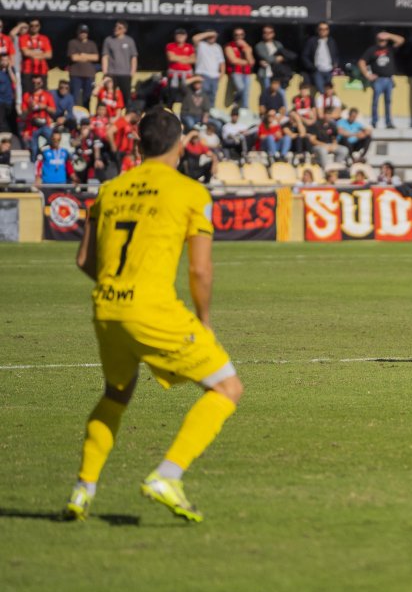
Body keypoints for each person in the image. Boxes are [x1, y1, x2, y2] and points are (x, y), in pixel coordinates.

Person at [65, 107, 244, 523]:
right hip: (151, 309)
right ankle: (168, 475)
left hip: (106, 306)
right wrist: (204, 318)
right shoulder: (190, 193)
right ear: (181, 146)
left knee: (116, 394)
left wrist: (116, 282)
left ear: (136, 145)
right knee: (226, 388)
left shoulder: (109, 190)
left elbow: (83, 260)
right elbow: (200, 269)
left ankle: (82, 490)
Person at [358, 31, 405, 130]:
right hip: (378, 79)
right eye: (380, 40)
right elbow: (361, 62)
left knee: (388, 102)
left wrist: (389, 35)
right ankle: (374, 122)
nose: (382, 42)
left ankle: (388, 122)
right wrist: (367, 75)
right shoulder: (372, 50)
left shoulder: (390, 49)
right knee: (375, 101)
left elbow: (401, 40)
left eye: (384, 40)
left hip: (389, 79)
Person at [102, 21, 138, 105]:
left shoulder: (129, 41)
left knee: (126, 96)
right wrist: (105, 72)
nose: (116, 29)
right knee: (110, 95)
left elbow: (134, 57)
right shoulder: (108, 40)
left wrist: (132, 72)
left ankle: (125, 113)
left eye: (119, 28)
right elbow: (105, 56)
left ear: (124, 30)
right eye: (115, 27)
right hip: (111, 73)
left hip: (125, 73)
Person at [67, 24, 100, 111]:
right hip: (76, 74)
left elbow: (96, 57)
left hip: (89, 74)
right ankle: (74, 114)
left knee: (87, 98)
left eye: (85, 32)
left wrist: (83, 55)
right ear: (78, 32)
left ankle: (86, 115)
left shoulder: (92, 43)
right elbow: (74, 57)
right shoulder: (72, 42)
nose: (83, 34)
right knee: (75, 97)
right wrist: (88, 57)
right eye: (81, 32)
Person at [301, 21, 340, 92]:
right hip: (317, 71)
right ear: (317, 30)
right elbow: (304, 56)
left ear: (328, 30)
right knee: (322, 90)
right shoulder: (312, 41)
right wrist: (312, 67)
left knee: (328, 91)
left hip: (329, 71)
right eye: (321, 29)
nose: (323, 31)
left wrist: (335, 63)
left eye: (326, 29)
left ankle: (326, 103)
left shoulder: (331, 41)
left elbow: (336, 54)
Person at [16, 19, 53, 94]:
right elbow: (25, 52)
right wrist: (41, 53)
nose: (34, 27)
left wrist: (32, 54)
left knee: (42, 93)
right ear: (29, 27)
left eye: (36, 25)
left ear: (39, 26)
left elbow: (49, 55)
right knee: (27, 94)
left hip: (42, 70)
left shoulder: (44, 38)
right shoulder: (23, 38)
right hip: (27, 70)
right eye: (32, 26)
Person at [255, 25, 296, 92]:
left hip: (279, 74)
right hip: (267, 73)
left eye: (270, 32)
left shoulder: (278, 44)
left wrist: (281, 58)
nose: (267, 34)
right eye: (265, 32)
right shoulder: (259, 45)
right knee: (268, 94)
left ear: (273, 33)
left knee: (281, 94)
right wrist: (277, 58)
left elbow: (284, 56)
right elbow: (267, 58)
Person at [20, 75, 56, 150]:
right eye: (34, 82)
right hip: (32, 126)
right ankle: (34, 160)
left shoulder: (47, 95)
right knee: (33, 148)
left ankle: (44, 151)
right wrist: (30, 108)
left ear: (42, 83)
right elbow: (23, 113)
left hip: (45, 124)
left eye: (38, 83)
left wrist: (44, 107)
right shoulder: (27, 95)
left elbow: (53, 110)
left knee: (53, 140)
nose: (35, 84)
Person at [224, 27, 254, 110]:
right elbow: (233, 60)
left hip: (246, 72)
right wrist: (246, 62)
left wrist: (246, 49)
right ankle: (236, 101)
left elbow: (251, 62)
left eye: (241, 35)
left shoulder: (247, 47)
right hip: (235, 72)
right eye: (236, 35)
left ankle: (245, 108)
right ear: (233, 36)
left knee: (246, 92)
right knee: (240, 88)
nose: (239, 37)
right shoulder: (229, 46)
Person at [192, 31, 225, 106]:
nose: (211, 38)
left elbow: (221, 61)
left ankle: (209, 113)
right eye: (210, 36)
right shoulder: (201, 45)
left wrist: (222, 73)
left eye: (213, 36)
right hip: (202, 74)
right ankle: (200, 111)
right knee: (202, 94)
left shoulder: (218, 47)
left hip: (214, 76)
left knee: (212, 95)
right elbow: (195, 38)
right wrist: (209, 33)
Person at [165, 28, 196, 103]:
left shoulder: (190, 47)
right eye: (178, 34)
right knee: (172, 96)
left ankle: (184, 113)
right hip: (174, 76)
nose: (180, 36)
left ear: (186, 36)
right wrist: (186, 57)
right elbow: (171, 58)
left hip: (187, 77)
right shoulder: (170, 46)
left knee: (186, 96)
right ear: (175, 36)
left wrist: (177, 57)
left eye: (182, 34)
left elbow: (193, 60)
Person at [0, 54, 15, 135]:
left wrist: (9, 69)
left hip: (9, 100)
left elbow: (15, 81)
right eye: (3, 60)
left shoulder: (11, 70)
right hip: (0, 100)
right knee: (1, 121)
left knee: (10, 120)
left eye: (6, 60)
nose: (4, 62)